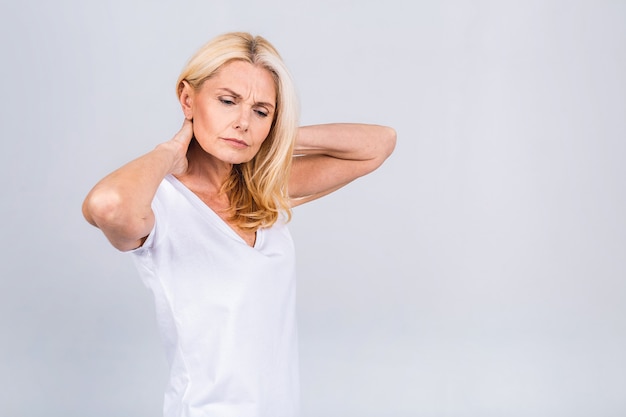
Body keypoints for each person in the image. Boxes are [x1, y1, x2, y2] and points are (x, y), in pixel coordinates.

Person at [82, 32, 396, 417]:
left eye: (261, 111)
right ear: (188, 99)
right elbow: (108, 206)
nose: (243, 122)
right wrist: (170, 152)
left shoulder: (263, 190)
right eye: (227, 101)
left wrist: (276, 140)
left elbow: (379, 143)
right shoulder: (160, 203)